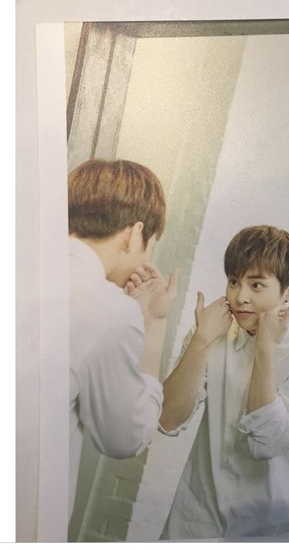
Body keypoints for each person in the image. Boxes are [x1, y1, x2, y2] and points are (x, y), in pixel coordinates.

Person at [155, 225, 289, 539]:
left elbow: (266, 444)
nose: (240, 297)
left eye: (256, 285)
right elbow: (167, 419)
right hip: (196, 522)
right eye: (234, 281)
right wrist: (201, 340)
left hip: (271, 528)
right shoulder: (211, 333)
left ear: (288, 292)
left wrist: (265, 347)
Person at [68, 158, 178, 519]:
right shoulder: (109, 308)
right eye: (150, 245)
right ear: (134, 234)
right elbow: (124, 438)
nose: (146, 259)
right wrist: (153, 321)